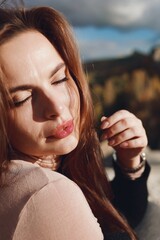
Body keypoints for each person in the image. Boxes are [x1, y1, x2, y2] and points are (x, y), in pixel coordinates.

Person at [0, 5, 150, 240]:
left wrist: (130, 162)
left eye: (59, 79)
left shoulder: (58, 159)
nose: (57, 107)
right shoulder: (47, 193)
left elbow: (116, 219)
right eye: (23, 98)